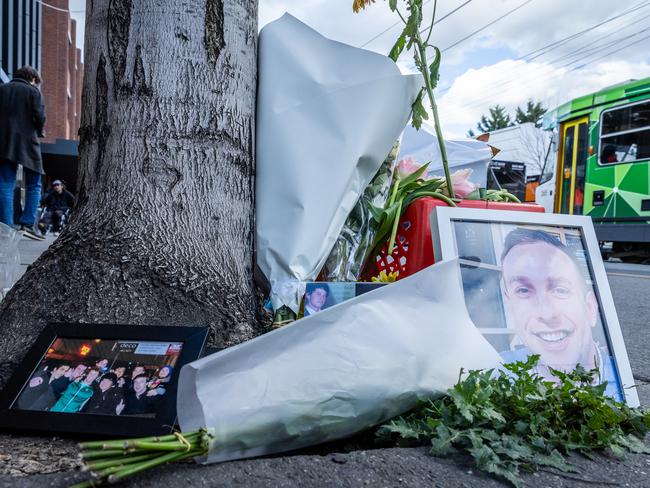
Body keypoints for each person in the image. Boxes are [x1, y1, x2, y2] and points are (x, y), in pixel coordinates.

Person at [499, 228, 621, 400]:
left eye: (560, 290)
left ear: (590, 308)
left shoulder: (622, 378)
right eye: (524, 290)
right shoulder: (494, 370)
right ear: (510, 308)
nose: (546, 314)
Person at [0, 66, 46, 240]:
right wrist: (40, 131)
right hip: (28, 142)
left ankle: (5, 226)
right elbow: (40, 117)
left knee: (5, 184)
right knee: (34, 184)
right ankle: (27, 224)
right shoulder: (33, 92)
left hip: (4, 143)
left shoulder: (2, 89)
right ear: (32, 78)